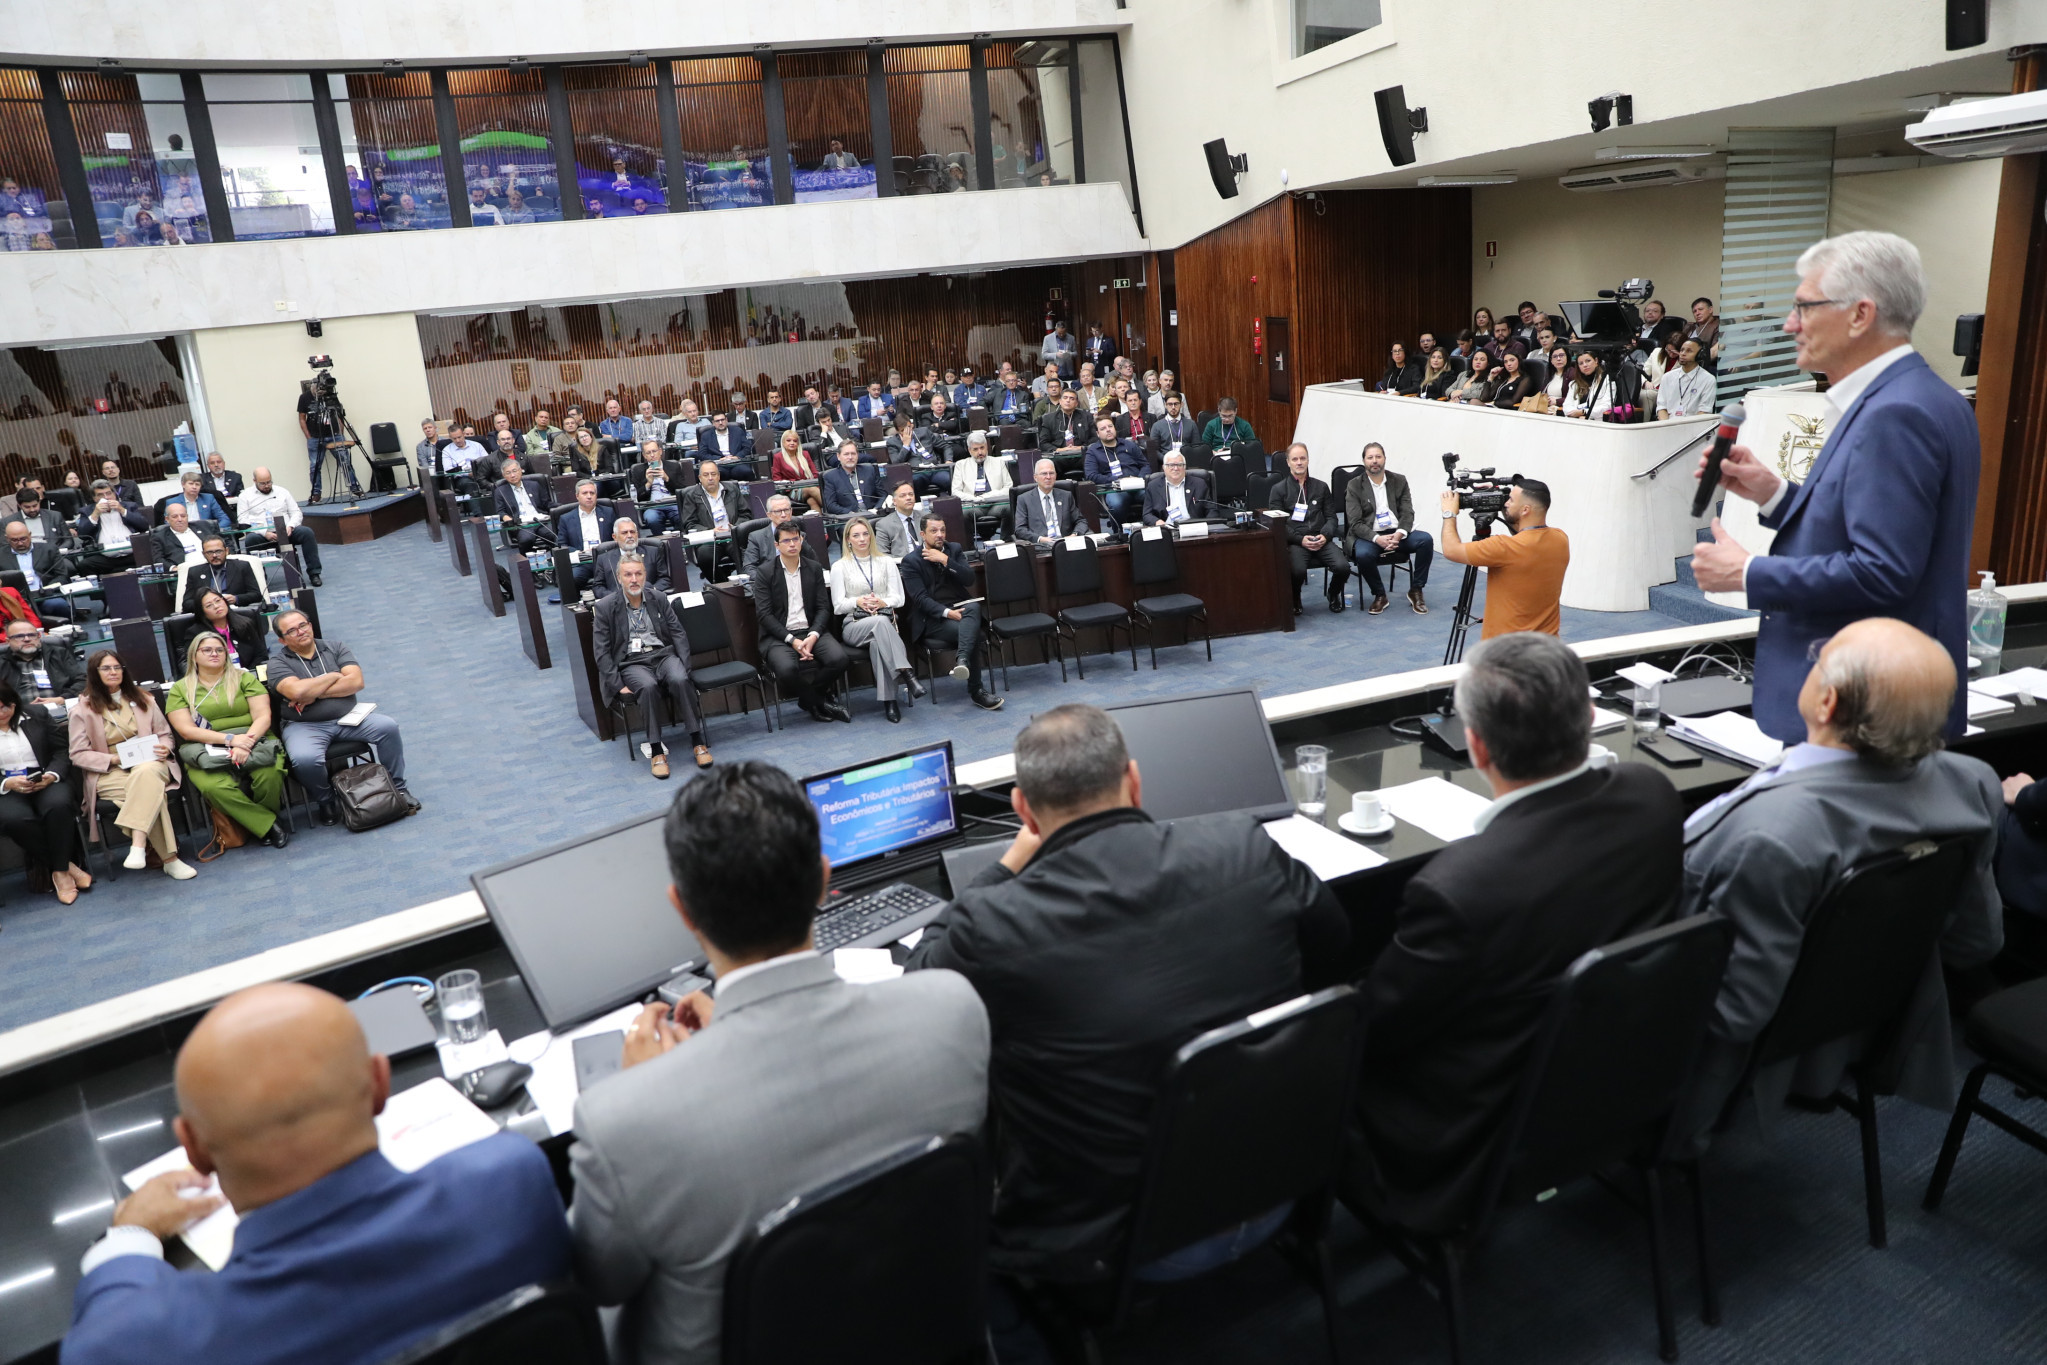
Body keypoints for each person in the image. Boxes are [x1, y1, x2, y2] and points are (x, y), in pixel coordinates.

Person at [907, 704, 1346, 1286]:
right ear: (1134, 781)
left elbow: (922, 992)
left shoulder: (991, 925)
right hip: (1284, 1182)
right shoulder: (1243, 845)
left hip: (1119, 1241)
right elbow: (1335, 948)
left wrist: (1007, 864)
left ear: (1023, 811)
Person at [566, 762, 986, 1364]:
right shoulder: (954, 1010)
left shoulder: (624, 1122)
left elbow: (601, 1283)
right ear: (822, 880)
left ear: (682, 909)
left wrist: (653, 1084)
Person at [1345, 633, 1683, 1230]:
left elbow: (1374, 1032)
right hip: (1623, 1083)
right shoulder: (1653, 795)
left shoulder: (1459, 887)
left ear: (1474, 746)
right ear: (1588, 718)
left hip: (1478, 1132)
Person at [64, 982, 572, 1365]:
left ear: (193, 1149)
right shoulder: (511, 1179)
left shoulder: (144, 1343)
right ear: (378, 1084)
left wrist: (129, 1234)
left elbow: (104, 1335)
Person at [1675, 618, 2003, 1145]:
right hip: (1858, 1022)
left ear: (1826, 704)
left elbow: (1735, 1014)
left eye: (1820, 657)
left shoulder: (1772, 836)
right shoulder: (1974, 785)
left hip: (1701, 1053)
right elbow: (1978, 942)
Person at [1689, 231, 1979, 742]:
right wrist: (1772, 492)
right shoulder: (1918, 395)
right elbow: (1873, 527)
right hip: (1881, 704)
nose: (1789, 324)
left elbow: (1883, 571)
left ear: (1859, 315)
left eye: (1803, 307)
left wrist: (1749, 572)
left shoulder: (1896, 413)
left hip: (1867, 713)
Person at [268, 612, 417, 825]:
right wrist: (333, 676)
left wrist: (312, 693)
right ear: (282, 639)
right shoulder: (277, 663)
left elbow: (356, 683)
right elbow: (296, 693)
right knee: (304, 759)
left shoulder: (335, 647)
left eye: (303, 625)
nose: (301, 631)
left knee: (388, 727)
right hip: (304, 725)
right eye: (292, 630)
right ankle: (326, 801)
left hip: (349, 717)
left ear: (310, 625)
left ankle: (399, 789)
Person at [69, 649, 193, 878]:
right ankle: (170, 859)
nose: (113, 672)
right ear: (94, 673)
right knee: (153, 792)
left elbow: (165, 734)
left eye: (117, 667)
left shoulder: (144, 699)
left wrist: (165, 747)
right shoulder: (82, 710)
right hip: (110, 771)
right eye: (106, 668)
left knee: (146, 773)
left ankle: (138, 845)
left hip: (151, 761)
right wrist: (114, 759)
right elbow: (78, 754)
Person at [166, 632, 290, 850]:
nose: (214, 653)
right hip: (205, 747)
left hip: (254, 738)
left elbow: (263, 717)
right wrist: (231, 740)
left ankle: (260, 825)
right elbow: (186, 730)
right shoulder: (180, 688)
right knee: (214, 788)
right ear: (194, 655)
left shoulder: (244, 677)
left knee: (269, 775)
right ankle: (269, 825)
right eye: (207, 650)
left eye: (219, 649)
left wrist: (247, 742)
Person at [594, 555, 711, 776]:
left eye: (638, 574)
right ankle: (657, 750)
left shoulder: (658, 597)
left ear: (645, 575)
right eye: (628, 575)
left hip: (663, 655)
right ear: (619, 578)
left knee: (680, 679)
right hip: (632, 662)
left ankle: (697, 740)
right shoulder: (606, 607)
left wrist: (684, 666)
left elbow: (678, 633)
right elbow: (601, 652)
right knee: (647, 687)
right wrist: (617, 685)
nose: (634, 579)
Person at [1436, 475, 1567, 638]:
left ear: (1525, 510)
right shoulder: (1560, 538)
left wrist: (1449, 513)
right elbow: (1527, 533)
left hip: (1505, 653)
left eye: (1510, 500)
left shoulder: (1503, 548)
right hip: (1546, 648)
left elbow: (1451, 549)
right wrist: (1508, 509)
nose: (1505, 503)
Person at [901, 512, 1004, 712]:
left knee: (973, 608)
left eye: (942, 530)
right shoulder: (911, 561)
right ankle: (977, 691)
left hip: (963, 609)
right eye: (933, 531)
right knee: (970, 631)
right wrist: (948, 613)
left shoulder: (953, 550)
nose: (939, 535)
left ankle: (962, 660)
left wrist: (945, 560)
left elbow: (969, 579)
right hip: (932, 619)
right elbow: (921, 600)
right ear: (923, 534)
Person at [0, 678, 89, 903]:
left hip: (44, 777)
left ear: (14, 703)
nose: (1, 712)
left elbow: (61, 750)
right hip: (7, 787)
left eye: (5, 706)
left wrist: (51, 775)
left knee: (58, 805)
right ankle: (65, 868)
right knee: (14, 819)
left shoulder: (36, 715)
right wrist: (6, 783)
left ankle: (59, 873)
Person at [756, 521, 851, 724]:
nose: (792, 544)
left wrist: (814, 634)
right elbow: (764, 615)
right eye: (786, 540)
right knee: (786, 670)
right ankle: (819, 702)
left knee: (840, 659)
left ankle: (808, 701)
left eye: (796, 539)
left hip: (811, 630)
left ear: (801, 540)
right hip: (780, 636)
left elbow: (823, 607)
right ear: (776, 545)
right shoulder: (765, 573)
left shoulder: (814, 568)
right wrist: (792, 640)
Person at [829, 517, 923, 723]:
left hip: (884, 622)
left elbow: (899, 599)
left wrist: (882, 602)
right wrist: (858, 601)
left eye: (865, 534)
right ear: (848, 539)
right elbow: (838, 606)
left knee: (877, 643)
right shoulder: (839, 567)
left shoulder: (887, 562)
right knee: (880, 624)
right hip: (854, 625)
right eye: (856, 535)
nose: (862, 539)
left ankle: (890, 701)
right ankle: (907, 673)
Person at [1345, 442, 1430, 614]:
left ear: (1385, 459)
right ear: (1364, 461)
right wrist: (1378, 539)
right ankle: (1379, 595)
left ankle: (1416, 590)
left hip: (1397, 533)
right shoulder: (1354, 485)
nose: (1374, 461)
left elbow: (1408, 513)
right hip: (1370, 535)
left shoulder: (1399, 480)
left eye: (1378, 457)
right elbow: (1355, 523)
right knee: (1363, 554)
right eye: (1370, 457)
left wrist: (1399, 534)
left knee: (1425, 540)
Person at [1271, 442, 1349, 615]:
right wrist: (1300, 540)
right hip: (1297, 541)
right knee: (1297, 570)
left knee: (1343, 567)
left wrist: (1325, 535)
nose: (1299, 462)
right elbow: (1278, 526)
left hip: (1321, 538)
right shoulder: (1278, 490)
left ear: (1308, 460)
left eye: (1303, 458)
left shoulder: (1321, 487)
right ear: (1288, 462)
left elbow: (1331, 518)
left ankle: (1333, 593)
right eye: (1295, 459)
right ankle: (1295, 596)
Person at [237, 466, 323, 586]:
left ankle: (314, 573)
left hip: (286, 531)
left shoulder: (282, 492)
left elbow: (296, 512)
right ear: (254, 481)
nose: (266, 486)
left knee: (307, 533)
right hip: (262, 534)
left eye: (269, 482)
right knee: (251, 540)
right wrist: (264, 532)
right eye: (262, 483)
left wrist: (291, 526)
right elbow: (243, 520)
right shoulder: (245, 496)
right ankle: (260, 579)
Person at [678, 460, 748, 582]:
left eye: (713, 474)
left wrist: (736, 527)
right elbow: (689, 523)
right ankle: (723, 586)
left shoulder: (732, 489)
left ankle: (747, 585)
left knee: (745, 554)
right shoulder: (692, 495)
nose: (710, 478)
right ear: (700, 478)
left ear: (719, 476)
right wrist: (711, 531)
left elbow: (746, 514)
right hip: (710, 540)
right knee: (705, 558)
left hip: (733, 536)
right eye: (706, 475)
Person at [298, 382, 362, 502]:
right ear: (312, 388)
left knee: (345, 461)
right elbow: (302, 418)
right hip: (315, 437)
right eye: (316, 391)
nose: (319, 393)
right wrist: (308, 437)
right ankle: (316, 493)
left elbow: (339, 415)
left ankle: (355, 488)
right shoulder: (304, 398)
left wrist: (340, 433)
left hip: (334, 435)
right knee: (315, 466)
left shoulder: (331, 396)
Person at [1, 517, 72, 622]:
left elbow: (62, 575)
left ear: (30, 535)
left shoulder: (49, 549)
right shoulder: (1, 555)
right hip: (16, 600)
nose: (20, 543)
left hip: (46, 595)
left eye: (23, 539)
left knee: (58, 605)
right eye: (14, 540)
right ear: (7, 539)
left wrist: (48, 588)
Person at [1084, 414, 1149, 525]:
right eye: (1103, 429)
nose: (1108, 430)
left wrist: (1139, 479)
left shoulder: (1129, 445)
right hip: (1115, 488)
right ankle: (1118, 533)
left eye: (1110, 426)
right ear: (1098, 434)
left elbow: (1145, 465)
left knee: (1156, 495)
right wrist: (1117, 480)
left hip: (1137, 485)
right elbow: (1091, 475)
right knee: (1117, 504)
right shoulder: (1093, 451)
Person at [188, 588, 270, 671]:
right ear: (202, 612)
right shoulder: (196, 633)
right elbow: (191, 664)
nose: (216, 606)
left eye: (218, 601)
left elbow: (261, 655)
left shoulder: (245, 624)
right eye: (209, 605)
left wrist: (247, 674)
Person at [2, 618, 84, 699]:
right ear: (8, 641)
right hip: (20, 710)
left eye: (31, 635)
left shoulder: (59, 654)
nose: (27, 639)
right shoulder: (2, 663)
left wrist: (62, 699)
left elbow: (83, 681)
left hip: (59, 707)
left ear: (39, 636)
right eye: (19, 636)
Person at [179, 535, 260, 613]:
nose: (214, 555)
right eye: (209, 552)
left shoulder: (242, 567)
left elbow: (257, 595)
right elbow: (186, 604)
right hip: (207, 617)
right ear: (203, 554)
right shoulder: (195, 572)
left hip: (237, 613)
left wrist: (236, 599)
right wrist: (207, 604)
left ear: (227, 551)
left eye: (218, 551)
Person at [593, 518, 671, 597]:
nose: (629, 536)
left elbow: (664, 579)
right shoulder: (604, 558)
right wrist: (614, 597)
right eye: (624, 533)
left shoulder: (653, 552)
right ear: (615, 537)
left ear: (637, 534)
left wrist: (651, 591)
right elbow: (598, 587)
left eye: (632, 532)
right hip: (616, 604)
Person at [490, 458, 555, 551]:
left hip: (540, 521)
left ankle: (557, 559)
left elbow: (546, 503)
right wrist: (508, 519)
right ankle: (526, 561)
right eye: (508, 473)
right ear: (504, 475)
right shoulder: (500, 491)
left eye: (514, 471)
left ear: (521, 471)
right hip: (521, 525)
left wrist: (559, 508)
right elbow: (500, 512)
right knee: (526, 539)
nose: (512, 475)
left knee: (554, 535)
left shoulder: (534, 485)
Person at [1014, 457, 1079, 545]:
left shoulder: (1066, 496)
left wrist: (1074, 535)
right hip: (1040, 546)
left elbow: (1080, 521)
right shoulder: (1024, 499)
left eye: (1051, 473)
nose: (1048, 477)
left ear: (1055, 476)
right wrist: (1040, 539)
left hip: (1066, 544)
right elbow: (1020, 530)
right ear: (1035, 477)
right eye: (1044, 473)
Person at [629, 437, 687, 532]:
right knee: (652, 519)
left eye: (654, 451)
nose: (652, 455)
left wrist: (667, 479)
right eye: (648, 453)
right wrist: (648, 483)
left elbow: (683, 490)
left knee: (681, 517)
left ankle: (679, 542)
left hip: (672, 503)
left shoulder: (674, 466)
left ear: (660, 451)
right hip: (652, 506)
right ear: (644, 455)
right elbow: (635, 497)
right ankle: (661, 544)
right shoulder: (637, 470)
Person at [1140, 451, 1210, 528]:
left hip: (1194, 528)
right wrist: (1157, 522)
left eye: (1179, 465)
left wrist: (1207, 528)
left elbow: (1211, 510)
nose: (1176, 468)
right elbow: (1147, 514)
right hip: (1167, 529)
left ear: (1184, 467)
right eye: (1171, 465)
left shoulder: (1199, 484)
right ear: (1164, 467)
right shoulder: (1153, 486)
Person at [1656, 338, 1719, 420]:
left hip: (1693, 427)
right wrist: (1666, 426)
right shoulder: (1667, 377)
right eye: (1682, 350)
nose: (1682, 354)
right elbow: (1661, 407)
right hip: (1667, 426)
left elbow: (1704, 412)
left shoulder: (1708, 379)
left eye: (1689, 351)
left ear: (1700, 355)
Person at [820, 439, 884, 516]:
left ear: (858, 455)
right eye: (846, 454)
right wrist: (850, 514)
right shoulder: (830, 476)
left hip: (873, 514)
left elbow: (883, 495)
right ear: (838, 456)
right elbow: (831, 505)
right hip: (848, 519)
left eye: (853, 454)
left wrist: (876, 509)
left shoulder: (869, 469)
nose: (850, 457)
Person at [769, 428, 825, 513]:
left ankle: (819, 524)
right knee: (811, 489)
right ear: (783, 443)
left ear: (798, 443)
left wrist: (808, 483)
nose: (792, 443)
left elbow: (815, 474)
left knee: (812, 501)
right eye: (788, 440)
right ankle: (834, 509)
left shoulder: (805, 454)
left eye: (795, 441)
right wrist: (794, 485)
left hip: (809, 486)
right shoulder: (778, 457)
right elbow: (777, 480)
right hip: (792, 491)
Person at [951, 430, 1013, 503]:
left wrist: (990, 496)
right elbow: (955, 492)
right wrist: (973, 498)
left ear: (986, 447)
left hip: (996, 502)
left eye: (982, 448)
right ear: (969, 450)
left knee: (1004, 508)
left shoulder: (998, 462)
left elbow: (1009, 487)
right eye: (975, 449)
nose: (980, 452)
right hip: (972, 504)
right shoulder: (961, 465)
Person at [155, 471, 230, 530]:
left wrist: (214, 530)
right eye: (191, 484)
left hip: (207, 533)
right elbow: (168, 523)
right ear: (183, 484)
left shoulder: (208, 498)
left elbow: (224, 519)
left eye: (197, 484)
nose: (194, 487)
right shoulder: (172, 502)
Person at [149, 502, 212, 568]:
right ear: (167, 519)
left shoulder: (204, 527)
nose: (180, 519)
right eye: (175, 517)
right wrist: (173, 568)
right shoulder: (159, 537)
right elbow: (158, 559)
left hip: (211, 565)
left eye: (183, 516)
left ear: (187, 516)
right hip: (185, 570)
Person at [871, 481, 924, 560]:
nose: (908, 498)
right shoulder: (884, 525)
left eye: (911, 494)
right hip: (901, 566)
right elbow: (882, 554)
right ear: (894, 501)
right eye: (903, 496)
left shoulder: (925, 517)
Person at [1037, 389, 1091, 460]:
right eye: (1065, 398)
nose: (1068, 400)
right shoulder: (1049, 419)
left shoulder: (1086, 416)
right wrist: (1059, 450)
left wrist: (1082, 448)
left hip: (1082, 454)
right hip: (1058, 456)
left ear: (1076, 403)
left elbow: (1094, 439)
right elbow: (1043, 443)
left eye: (1072, 399)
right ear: (1060, 401)